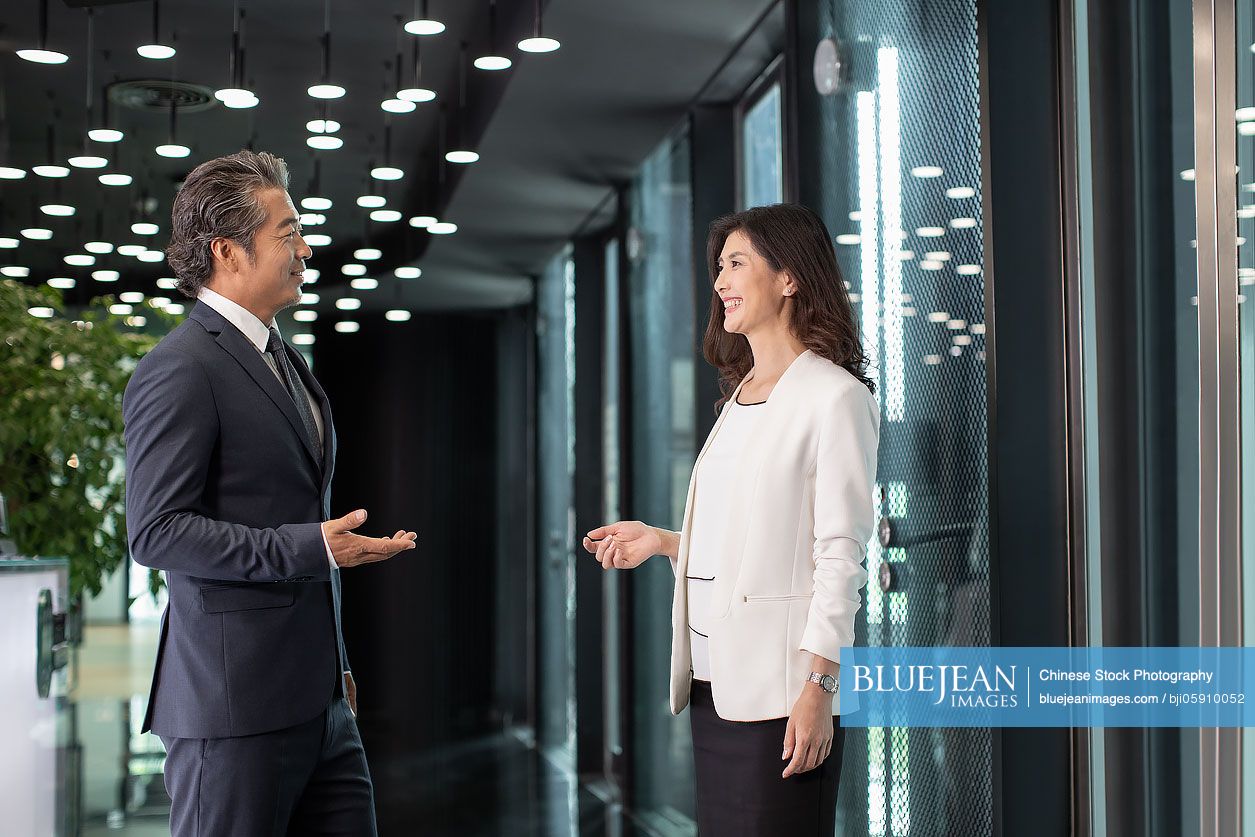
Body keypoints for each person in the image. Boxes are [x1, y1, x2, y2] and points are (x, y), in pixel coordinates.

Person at [123, 150, 417, 836]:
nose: (306, 248)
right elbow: (156, 531)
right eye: (288, 233)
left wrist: (336, 665)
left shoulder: (286, 357)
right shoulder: (179, 369)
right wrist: (311, 544)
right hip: (233, 712)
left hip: (321, 704)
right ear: (228, 251)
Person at [583, 203, 879, 835]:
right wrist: (662, 542)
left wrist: (820, 690)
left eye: (737, 264)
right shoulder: (739, 394)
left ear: (789, 278)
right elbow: (755, 540)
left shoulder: (835, 398)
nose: (719, 281)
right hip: (717, 687)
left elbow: (840, 552)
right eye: (720, 266)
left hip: (784, 693)